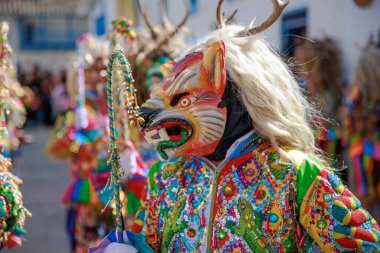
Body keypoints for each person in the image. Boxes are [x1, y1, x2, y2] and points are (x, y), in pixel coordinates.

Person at [91, 1, 380, 252]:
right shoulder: (164, 177)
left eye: (181, 100)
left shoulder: (296, 174)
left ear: (231, 95)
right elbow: (148, 242)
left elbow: (366, 245)